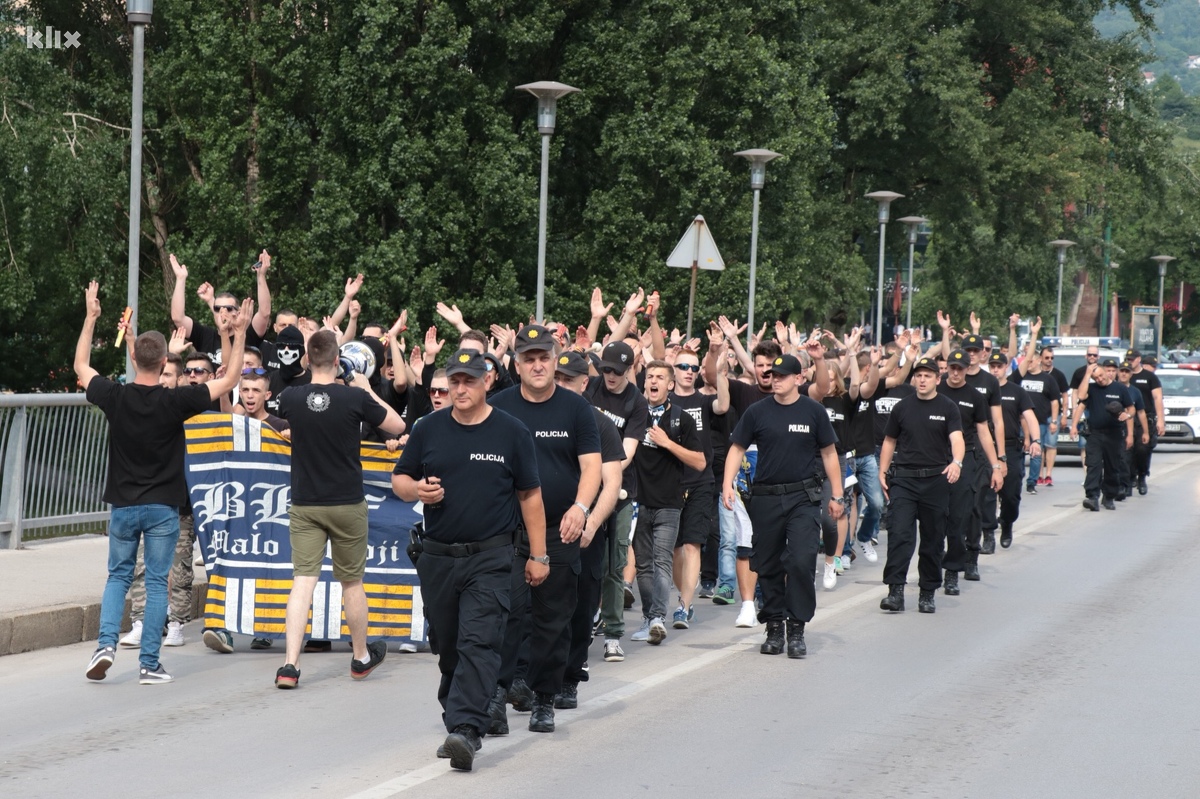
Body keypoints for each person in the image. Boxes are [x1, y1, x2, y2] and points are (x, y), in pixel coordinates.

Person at [76, 282, 250, 684]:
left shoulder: (115, 396)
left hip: (123, 504)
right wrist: (238, 334)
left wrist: (91, 317)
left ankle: (105, 645)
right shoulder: (176, 401)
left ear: (133, 357)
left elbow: (82, 366)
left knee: (117, 577)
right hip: (162, 508)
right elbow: (229, 380)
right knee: (157, 583)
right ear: (164, 363)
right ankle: (149, 664)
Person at [392, 349, 548, 772]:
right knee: (449, 648)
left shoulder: (511, 431)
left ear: (487, 381)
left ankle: (466, 730)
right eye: (454, 381)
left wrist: (539, 555)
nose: (460, 389)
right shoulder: (429, 428)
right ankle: (460, 716)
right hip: (438, 557)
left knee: (479, 643)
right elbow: (400, 478)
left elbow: (530, 496)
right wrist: (416, 490)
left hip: (491, 557)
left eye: (469, 381)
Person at [272, 330, 403, 689]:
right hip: (346, 502)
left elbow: (286, 414)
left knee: (303, 581)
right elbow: (398, 425)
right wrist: (366, 388)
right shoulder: (354, 397)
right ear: (336, 360)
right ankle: (360, 656)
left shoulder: (291, 397)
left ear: (306, 359)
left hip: (306, 503)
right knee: (352, 582)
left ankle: (289, 665)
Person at [488, 326, 601, 735]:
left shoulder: (576, 408)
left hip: (559, 530)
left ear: (555, 361)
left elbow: (591, 467)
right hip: (507, 531)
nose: (537, 365)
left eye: (543, 358)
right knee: (505, 616)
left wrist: (581, 508)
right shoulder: (498, 407)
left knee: (554, 619)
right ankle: (496, 696)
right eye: (528, 359)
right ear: (516, 365)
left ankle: (544, 699)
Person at [722, 353, 844, 659]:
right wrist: (727, 484)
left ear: (798, 379)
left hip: (803, 496)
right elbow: (737, 448)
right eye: (772, 375)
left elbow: (829, 453)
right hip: (766, 497)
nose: (774, 379)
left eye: (782, 376)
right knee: (768, 563)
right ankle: (775, 625)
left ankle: (797, 627)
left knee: (801, 560)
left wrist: (837, 494)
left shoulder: (814, 411)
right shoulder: (757, 411)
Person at [553, 350, 624, 710]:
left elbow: (612, 482)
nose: (561, 385)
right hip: (542, 528)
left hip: (585, 532)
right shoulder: (536, 417)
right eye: (557, 378)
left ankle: (570, 677)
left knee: (580, 610)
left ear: (584, 383)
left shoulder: (600, 424)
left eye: (568, 380)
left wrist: (591, 523)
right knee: (536, 610)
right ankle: (533, 679)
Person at [877, 356, 965, 614]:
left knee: (933, 539)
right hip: (904, 479)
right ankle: (895, 591)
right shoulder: (902, 407)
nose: (923, 379)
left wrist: (957, 462)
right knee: (899, 535)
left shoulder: (948, 407)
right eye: (919, 375)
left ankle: (927, 592)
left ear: (938, 379)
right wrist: (883, 471)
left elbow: (957, 438)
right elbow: (889, 440)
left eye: (928, 375)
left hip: (936, 479)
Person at [629, 360, 706, 645]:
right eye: (650, 376)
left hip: (669, 503)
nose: (654, 381)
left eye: (660, 377)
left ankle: (658, 617)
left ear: (670, 385)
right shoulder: (635, 414)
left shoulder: (681, 419)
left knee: (661, 560)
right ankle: (649, 618)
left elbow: (700, 462)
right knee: (643, 565)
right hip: (638, 501)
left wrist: (668, 443)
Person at [584, 340, 649, 663]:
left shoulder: (637, 402)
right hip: (586, 486)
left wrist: (601, 474)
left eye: (617, 371)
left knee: (614, 564)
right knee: (583, 563)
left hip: (620, 490)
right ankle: (582, 625)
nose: (610, 376)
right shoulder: (590, 389)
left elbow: (628, 452)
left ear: (629, 370)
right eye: (606, 369)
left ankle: (613, 634)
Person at [667, 344, 729, 627]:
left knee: (693, 544)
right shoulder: (666, 401)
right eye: (683, 367)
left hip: (701, 482)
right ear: (674, 370)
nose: (689, 372)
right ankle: (686, 596)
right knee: (676, 549)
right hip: (670, 482)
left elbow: (723, 405)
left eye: (694, 368)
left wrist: (721, 373)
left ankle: (683, 605)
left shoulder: (704, 401)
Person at [938, 349, 1001, 593]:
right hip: (937, 458)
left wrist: (996, 465)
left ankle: (957, 568)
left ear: (967, 369)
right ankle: (934, 565)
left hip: (968, 459)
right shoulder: (936, 390)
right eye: (951, 368)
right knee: (936, 516)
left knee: (963, 514)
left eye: (959, 368)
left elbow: (984, 432)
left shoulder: (975, 396)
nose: (955, 372)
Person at [988, 352, 1041, 549]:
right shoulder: (983, 390)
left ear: (1006, 367)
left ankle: (1007, 523)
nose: (995, 370)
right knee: (986, 494)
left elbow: (1030, 417)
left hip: (1011, 447)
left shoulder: (1016, 391)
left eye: (999, 366)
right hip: (987, 447)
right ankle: (987, 533)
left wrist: (1035, 440)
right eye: (992, 366)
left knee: (1010, 494)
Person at [1071, 358, 1135, 511]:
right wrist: (1073, 425)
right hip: (1095, 434)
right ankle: (1092, 497)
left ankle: (1109, 496)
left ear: (1106, 372)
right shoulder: (1092, 389)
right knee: (1093, 465)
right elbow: (1081, 398)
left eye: (1101, 375)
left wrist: (1127, 416)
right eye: (1096, 378)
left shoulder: (1120, 388)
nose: (1099, 379)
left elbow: (1131, 408)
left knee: (1112, 466)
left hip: (1114, 434)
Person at [1128, 351, 1165, 494]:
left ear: (1139, 359)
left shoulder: (1150, 377)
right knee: (1128, 449)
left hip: (1146, 417)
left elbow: (1157, 398)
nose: (1130, 361)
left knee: (1143, 449)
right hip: (1128, 417)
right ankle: (1130, 477)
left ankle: (1142, 476)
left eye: (1132, 359)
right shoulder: (1124, 375)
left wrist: (1160, 420)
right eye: (1128, 359)